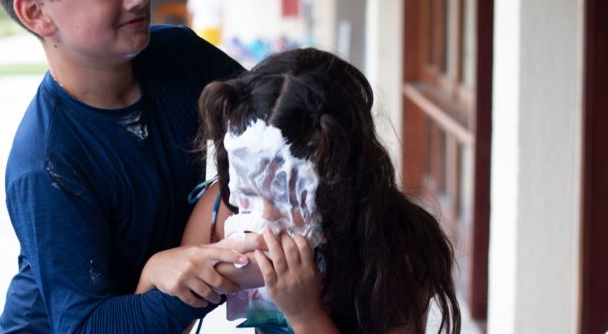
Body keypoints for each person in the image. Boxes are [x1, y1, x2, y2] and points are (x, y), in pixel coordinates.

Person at [0, 0, 259, 333]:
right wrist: (183, 278)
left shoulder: (180, 56)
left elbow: (274, 111)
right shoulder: (48, 164)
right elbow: (85, 324)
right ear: (36, 13)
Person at [175, 48, 461, 334]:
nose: (266, 213)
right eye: (251, 187)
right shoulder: (221, 210)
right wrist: (160, 271)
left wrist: (305, 315)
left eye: (286, 193)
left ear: (344, 183)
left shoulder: (399, 250)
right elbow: (172, 317)